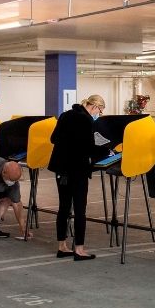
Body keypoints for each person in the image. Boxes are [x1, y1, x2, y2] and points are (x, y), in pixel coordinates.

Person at [48, 95, 108, 261]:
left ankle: (62, 247)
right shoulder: (86, 120)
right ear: (94, 106)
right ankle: (79, 250)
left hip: (61, 169)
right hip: (77, 169)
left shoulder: (65, 115)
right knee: (80, 209)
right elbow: (88, 148)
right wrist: (107, 151)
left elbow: (53, 138)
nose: (99, 114)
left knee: (64, 208)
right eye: (100, 111)